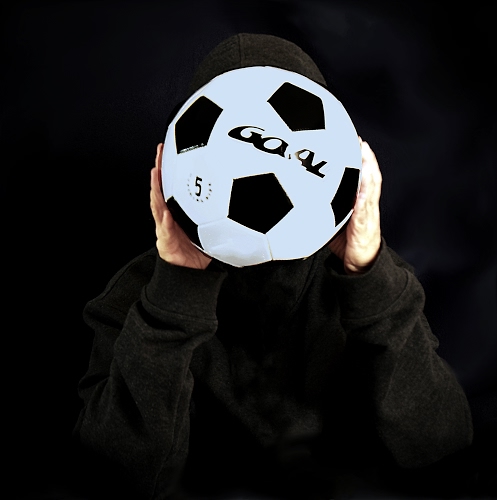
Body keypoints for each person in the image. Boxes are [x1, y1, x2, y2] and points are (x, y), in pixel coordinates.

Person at [74, 33, 473, 500]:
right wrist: (176, 289)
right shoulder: (139, 297)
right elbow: (113, 479)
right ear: (175, 164)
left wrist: (369, 274)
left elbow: (442, 448)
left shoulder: (367, 286)